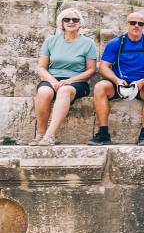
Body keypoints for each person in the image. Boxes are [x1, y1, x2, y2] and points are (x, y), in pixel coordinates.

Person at [89, 12, 144, 146]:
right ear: (126, 24)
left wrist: (142, 82)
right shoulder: (115, 43)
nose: (136, 26)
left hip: (140, 85)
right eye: (133, 23)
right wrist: (117, 80)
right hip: (118, 83)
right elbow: (103, 67)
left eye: (140, 24)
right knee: (99, 87)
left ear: (143, 26)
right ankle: (103, 134)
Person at [30, 8, 97, 146]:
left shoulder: (88, 43)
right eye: (67, 19)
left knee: (64, 90)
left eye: (75, 20)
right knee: (43, 92)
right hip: (52, 79)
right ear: (61, 22)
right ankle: (40, 134)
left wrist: (69, 81)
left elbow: (91, 70)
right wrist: (53, 81)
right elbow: (41, 67)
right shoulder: (51, 41)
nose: (71, 22)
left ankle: (49, 136)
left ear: (80, 23)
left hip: (77, 81)